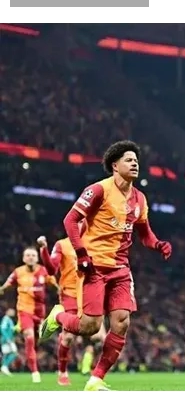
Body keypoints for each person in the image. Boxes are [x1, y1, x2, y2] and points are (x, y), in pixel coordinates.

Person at [39, 140, 172, 391]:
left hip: (121, 269)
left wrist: (158, 244)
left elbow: (145, 233)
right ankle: (57, 315)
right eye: (128, 160)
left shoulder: (140, 199)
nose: (135, 163)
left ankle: (96, 378)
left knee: (122, 322)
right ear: (114, 165)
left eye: (136, 160)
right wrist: (81, 254)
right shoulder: (99, 190)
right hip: (94, 267)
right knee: (90, 327)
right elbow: (70, 221)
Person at [38, 223, 107, 386]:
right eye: (79, 222)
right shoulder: (62, 245)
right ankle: (62, 372)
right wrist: (43, 250)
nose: (82, 224)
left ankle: (86, 366)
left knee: (99, 338)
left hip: (89, 295)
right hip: (69, 294)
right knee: (68, 337)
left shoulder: (94, 245)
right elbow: (51, 270)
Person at [0, 247, 58, 383]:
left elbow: (55, 286)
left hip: (40, 313)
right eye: (28, 255)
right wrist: (2, 289)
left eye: (33, 255)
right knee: (29, 337)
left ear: (37, 258)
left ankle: (32, 358)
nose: (30, 257)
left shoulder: (44, 271)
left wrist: (62, 293)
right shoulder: (18, 272)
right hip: (24, 311)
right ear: (23, 258)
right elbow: (6, 285)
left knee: (37, 340)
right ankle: (35, 372)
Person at [1, 308, 17, 376]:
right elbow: (2, 328)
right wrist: (7, 338)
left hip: (9, 339)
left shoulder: (9, 319)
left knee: (6, 354)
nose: (13, 312)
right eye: (11, 311)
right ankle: (4, 366)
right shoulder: (6, 319)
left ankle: (4, 368)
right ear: (7, 312)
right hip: (6, 340)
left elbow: (10, 330)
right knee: (14, 353)